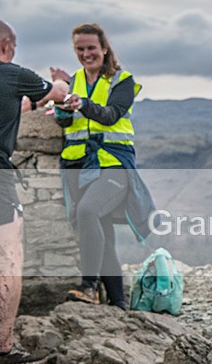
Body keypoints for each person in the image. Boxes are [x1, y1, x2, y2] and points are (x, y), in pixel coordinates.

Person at [0, 17, 69, 364]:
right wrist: (61, 79)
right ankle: (2, 349)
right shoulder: (13, 73)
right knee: (8, 259)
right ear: (6, 45)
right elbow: (58, 95)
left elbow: (9, 108)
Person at [52, 23, 154, 311]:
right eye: (80, 49)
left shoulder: (122, 80)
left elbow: (110, 116)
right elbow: (63, 122)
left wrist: (81, 102)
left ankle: (88, 286)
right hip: (77, 165)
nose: (86, 54)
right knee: (103, 232)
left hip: (112, 164)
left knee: (88, 211)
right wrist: (62, 99)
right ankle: (119, 303)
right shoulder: (73, 81)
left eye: (91, 48)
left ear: (104, 48)